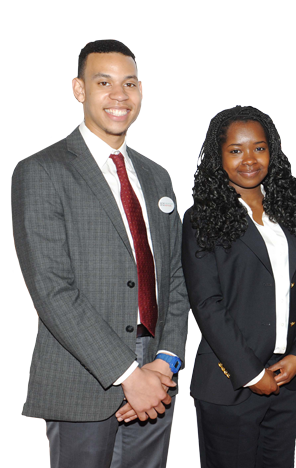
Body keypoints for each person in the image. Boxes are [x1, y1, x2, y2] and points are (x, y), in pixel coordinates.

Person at [11, 38, 189, 468]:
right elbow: (51, 289)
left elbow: (176, 279)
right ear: (79, 90)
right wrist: (130, 376)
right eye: (104, 82)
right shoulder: (42, 170)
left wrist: (163, 365)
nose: (119, 95)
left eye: (129, 83)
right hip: (83, 376)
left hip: (156, 374)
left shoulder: (156, 176)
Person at [182, 105, 296, 468]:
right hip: (231, 382)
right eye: (235, 150)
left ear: (272, 151)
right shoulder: (201, 218)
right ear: (219, 155)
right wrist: (251, 373)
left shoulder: (291, 213)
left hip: (287, 380)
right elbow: (207, 304)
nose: (249, 159)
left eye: (259, 148)